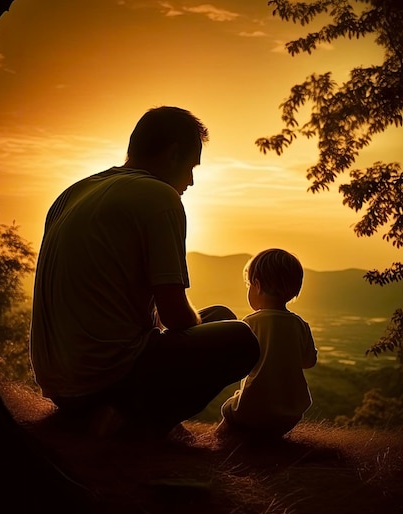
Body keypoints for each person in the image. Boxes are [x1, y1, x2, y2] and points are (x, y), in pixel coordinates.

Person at [30, 106, 260, 440]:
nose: (191, 181)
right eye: (190, 167)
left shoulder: (73, 192)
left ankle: (111, 412)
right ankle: (132, 421)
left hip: (57, 383)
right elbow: (176, 316)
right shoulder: (158, 196)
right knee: (241, 340)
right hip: (104, 378)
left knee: (220, 316)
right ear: (173, 154)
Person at [216, 248, 318, 441]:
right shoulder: (299, 325)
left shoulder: (250, 323)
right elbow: (309, 361)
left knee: (227, 416)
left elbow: (236, 363)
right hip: (290, 411)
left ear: (257, 285)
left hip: (251, 407)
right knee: (264, 441)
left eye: (248, 285)